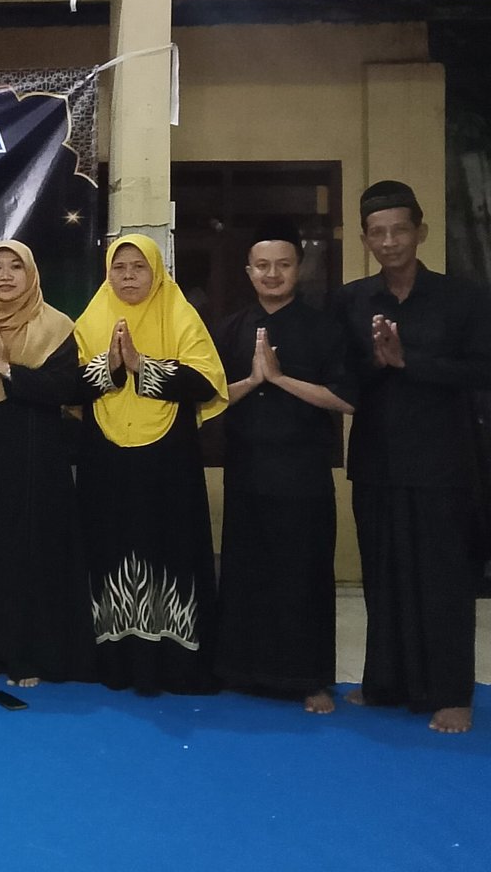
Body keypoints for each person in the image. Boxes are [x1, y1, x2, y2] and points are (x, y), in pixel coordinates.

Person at [332, 180, 491, 734]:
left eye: (399, 230)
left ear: (420, 231)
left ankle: (451, 693)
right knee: (383, 577)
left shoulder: (462, 298)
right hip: (377, 460)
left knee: (444, 581)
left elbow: (481, 369)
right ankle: (385, 683)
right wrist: (378, 363)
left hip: (443, 462)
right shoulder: (350, 300)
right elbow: (343, 377)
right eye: (377, 233)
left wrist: (409, 361)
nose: (389, 241)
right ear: (364, 238)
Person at [73, 234, 228, 695]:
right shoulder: (91, 319)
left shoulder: (179, 313)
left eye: (138, 267)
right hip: (106, 460)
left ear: (156, 271)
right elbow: (70, 385)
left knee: (169, 549)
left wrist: (142, 365)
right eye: (119, 267)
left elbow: (205, 381)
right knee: (110, 550)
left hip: (168, 463)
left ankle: (173, 665)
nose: (128, 276)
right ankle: (116, 661)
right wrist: (111, 367)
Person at [213, 219, 352, 714]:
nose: (272, 274)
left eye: (283, 265)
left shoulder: (324, 328)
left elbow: (346, 398)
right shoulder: (229, 328)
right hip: (246, 471)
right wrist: (253, 381)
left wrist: (279, 378)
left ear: (300, 268)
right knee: (246, 574)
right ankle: (240, 670)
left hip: (303, 475)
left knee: (303, 577)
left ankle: (309, 680)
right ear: (248, 271)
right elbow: (208, 400)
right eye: (263, 265)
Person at [0, 239, 94, 688]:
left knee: (33, 552)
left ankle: (29, 654)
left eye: (15, 266)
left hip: (37, 455)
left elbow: (68, 388)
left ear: (31, 274)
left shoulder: (56, 326)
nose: (5, 275)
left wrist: (10, 371)